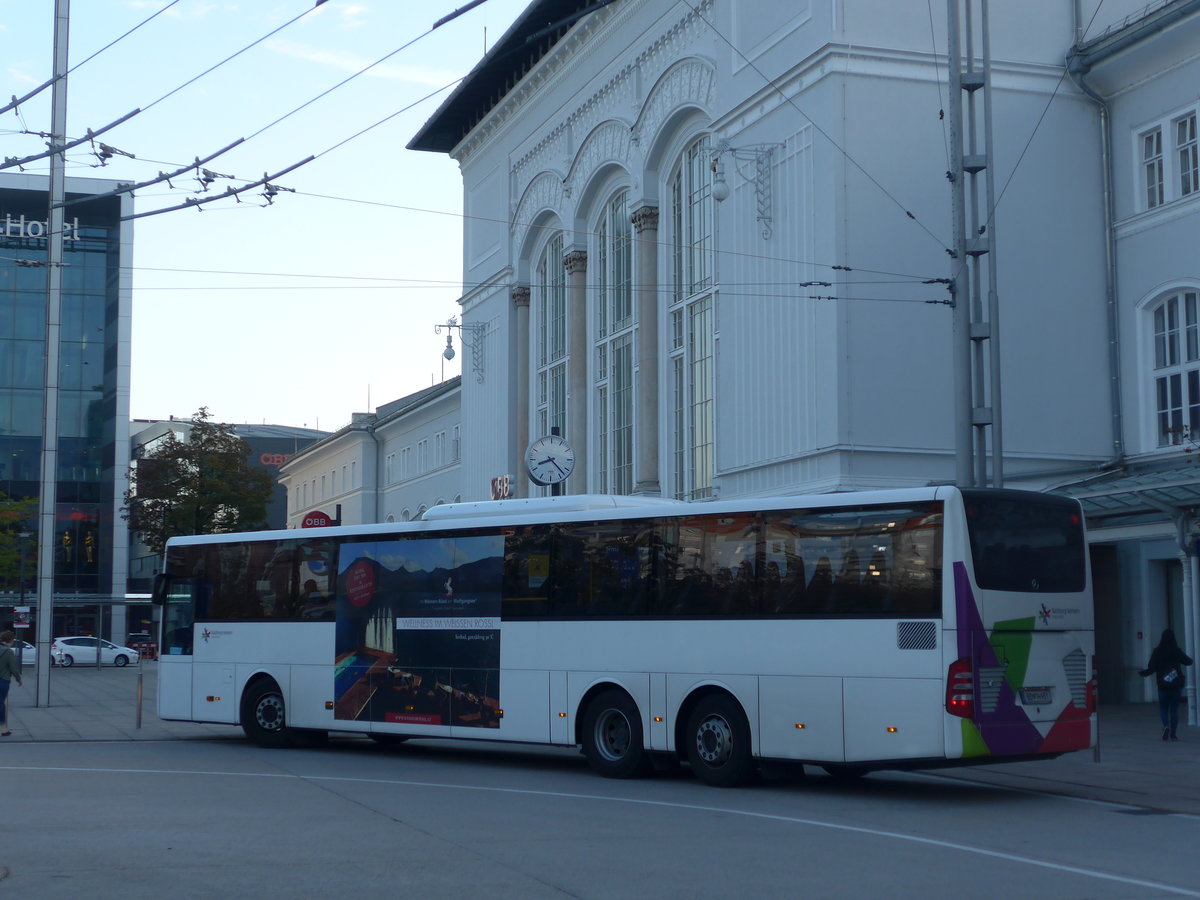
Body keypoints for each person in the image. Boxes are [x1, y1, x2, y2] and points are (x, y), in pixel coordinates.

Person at [1139, 628, 1194, 741]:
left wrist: (1143, 673)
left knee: (1163, 708)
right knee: (1174, 709)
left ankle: (1166, 726)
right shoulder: (1176, 651)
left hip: (1163, 685)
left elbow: (1152, 667)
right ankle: (1173, 734)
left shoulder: (1157, 651)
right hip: (1176, 685)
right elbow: (1189, 661)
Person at [0, 629, 24, 737]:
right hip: (2, 681)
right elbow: (14, 669)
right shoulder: (8, 652)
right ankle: (3, 729)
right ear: (10, 640)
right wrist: (18, 679)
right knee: (1, 705)